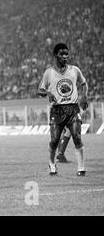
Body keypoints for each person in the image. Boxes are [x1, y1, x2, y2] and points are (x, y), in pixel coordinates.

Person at [37, 43, 88, 176]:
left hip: (73, 109)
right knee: (54, 141)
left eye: (67, 54)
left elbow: (84, 83)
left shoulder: (74, 70)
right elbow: (40, 90)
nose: (65, 56)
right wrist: (48, 93)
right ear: (55, 56)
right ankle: (52, 164)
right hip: (57, 110)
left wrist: (84, 96)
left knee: (77, 137)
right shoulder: (49, 72)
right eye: (62, 54)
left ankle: (81, 168)